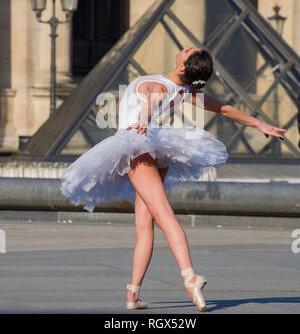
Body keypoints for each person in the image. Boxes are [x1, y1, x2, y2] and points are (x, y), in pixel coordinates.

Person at [61, 47, 286, 312]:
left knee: (163, 215)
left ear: (182, 66)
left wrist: (142, 122)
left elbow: (151, 104)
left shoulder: (160, 86)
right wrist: (259, 124)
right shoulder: (183, 90)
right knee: (144, 225)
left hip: (139, 145)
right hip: (154, 147)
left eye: (189, 50)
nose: (186, 47)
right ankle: (133, 295)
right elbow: (224, 109)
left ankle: (190, 277)